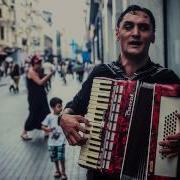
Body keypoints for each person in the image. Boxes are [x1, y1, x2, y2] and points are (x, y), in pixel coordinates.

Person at [58, 5, 180, 180]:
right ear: (117, 33)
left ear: (153, 36)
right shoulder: (101, 73)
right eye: (128, 26)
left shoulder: (168, 79)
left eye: (144, 28)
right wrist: (63, 118)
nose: (136, 33)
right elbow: (73, 107)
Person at [21, 55, 54, 140]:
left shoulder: (38, 70)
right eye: (37, 63)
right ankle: (24, 132)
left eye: (40, 63)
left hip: (41, 96)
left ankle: (46, 131)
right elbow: (40, 83)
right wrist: (49, 75)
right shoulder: (31, 71)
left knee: (45, 112)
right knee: (33, 114)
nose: (39, 65)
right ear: (33, 63)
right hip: (34, 97)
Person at [41, 97, 67, 179]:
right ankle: (57, 171)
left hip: (61, 142)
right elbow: (43, 126)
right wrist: (47, 129)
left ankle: (63, 172)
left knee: (61, 158)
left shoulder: (63, 116)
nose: (61, 108)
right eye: (59, 106)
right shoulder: (49, 116)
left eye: (61, 106)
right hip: (52, 143)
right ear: (52, 107)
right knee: (55, 158)